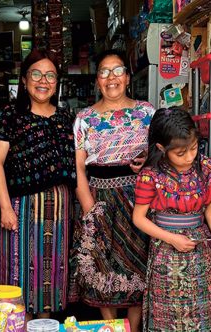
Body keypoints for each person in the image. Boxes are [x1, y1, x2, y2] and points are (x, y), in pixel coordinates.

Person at [132, 107, 211, 331]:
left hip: (200, 251)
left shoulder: (206, 167)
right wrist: (171, 239)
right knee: (168, 316)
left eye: (193, 148)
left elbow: (210, 210)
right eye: (181, 153)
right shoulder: (151, 175)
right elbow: (139, 218)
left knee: (202, 314)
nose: (190, 157)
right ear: (161, 148)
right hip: (166, 251)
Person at [69, 49, 155, 331]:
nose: (111, 78)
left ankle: (132, 327)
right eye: (104, 72)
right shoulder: (84, 118)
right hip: (98, 197)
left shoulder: (146, 113)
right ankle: (112, 328)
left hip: (137, 199)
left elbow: (164, 156)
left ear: (128, 77)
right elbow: (80, 167)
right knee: (101, 267)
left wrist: (148, 160)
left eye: (117, 70)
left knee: (136, 265)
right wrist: (88, 208)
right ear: (97, 81)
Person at [0, 49, 76, 320]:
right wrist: (5, 207)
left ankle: (44, 325)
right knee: (19, 273)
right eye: (36, 73)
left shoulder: (65, 118)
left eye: (50, 75)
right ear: (24, 80)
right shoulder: (9, 116)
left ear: (57, 82)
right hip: (20, 208)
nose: (43, 80)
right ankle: (18, 325)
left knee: (50, 276)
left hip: (59, 210)